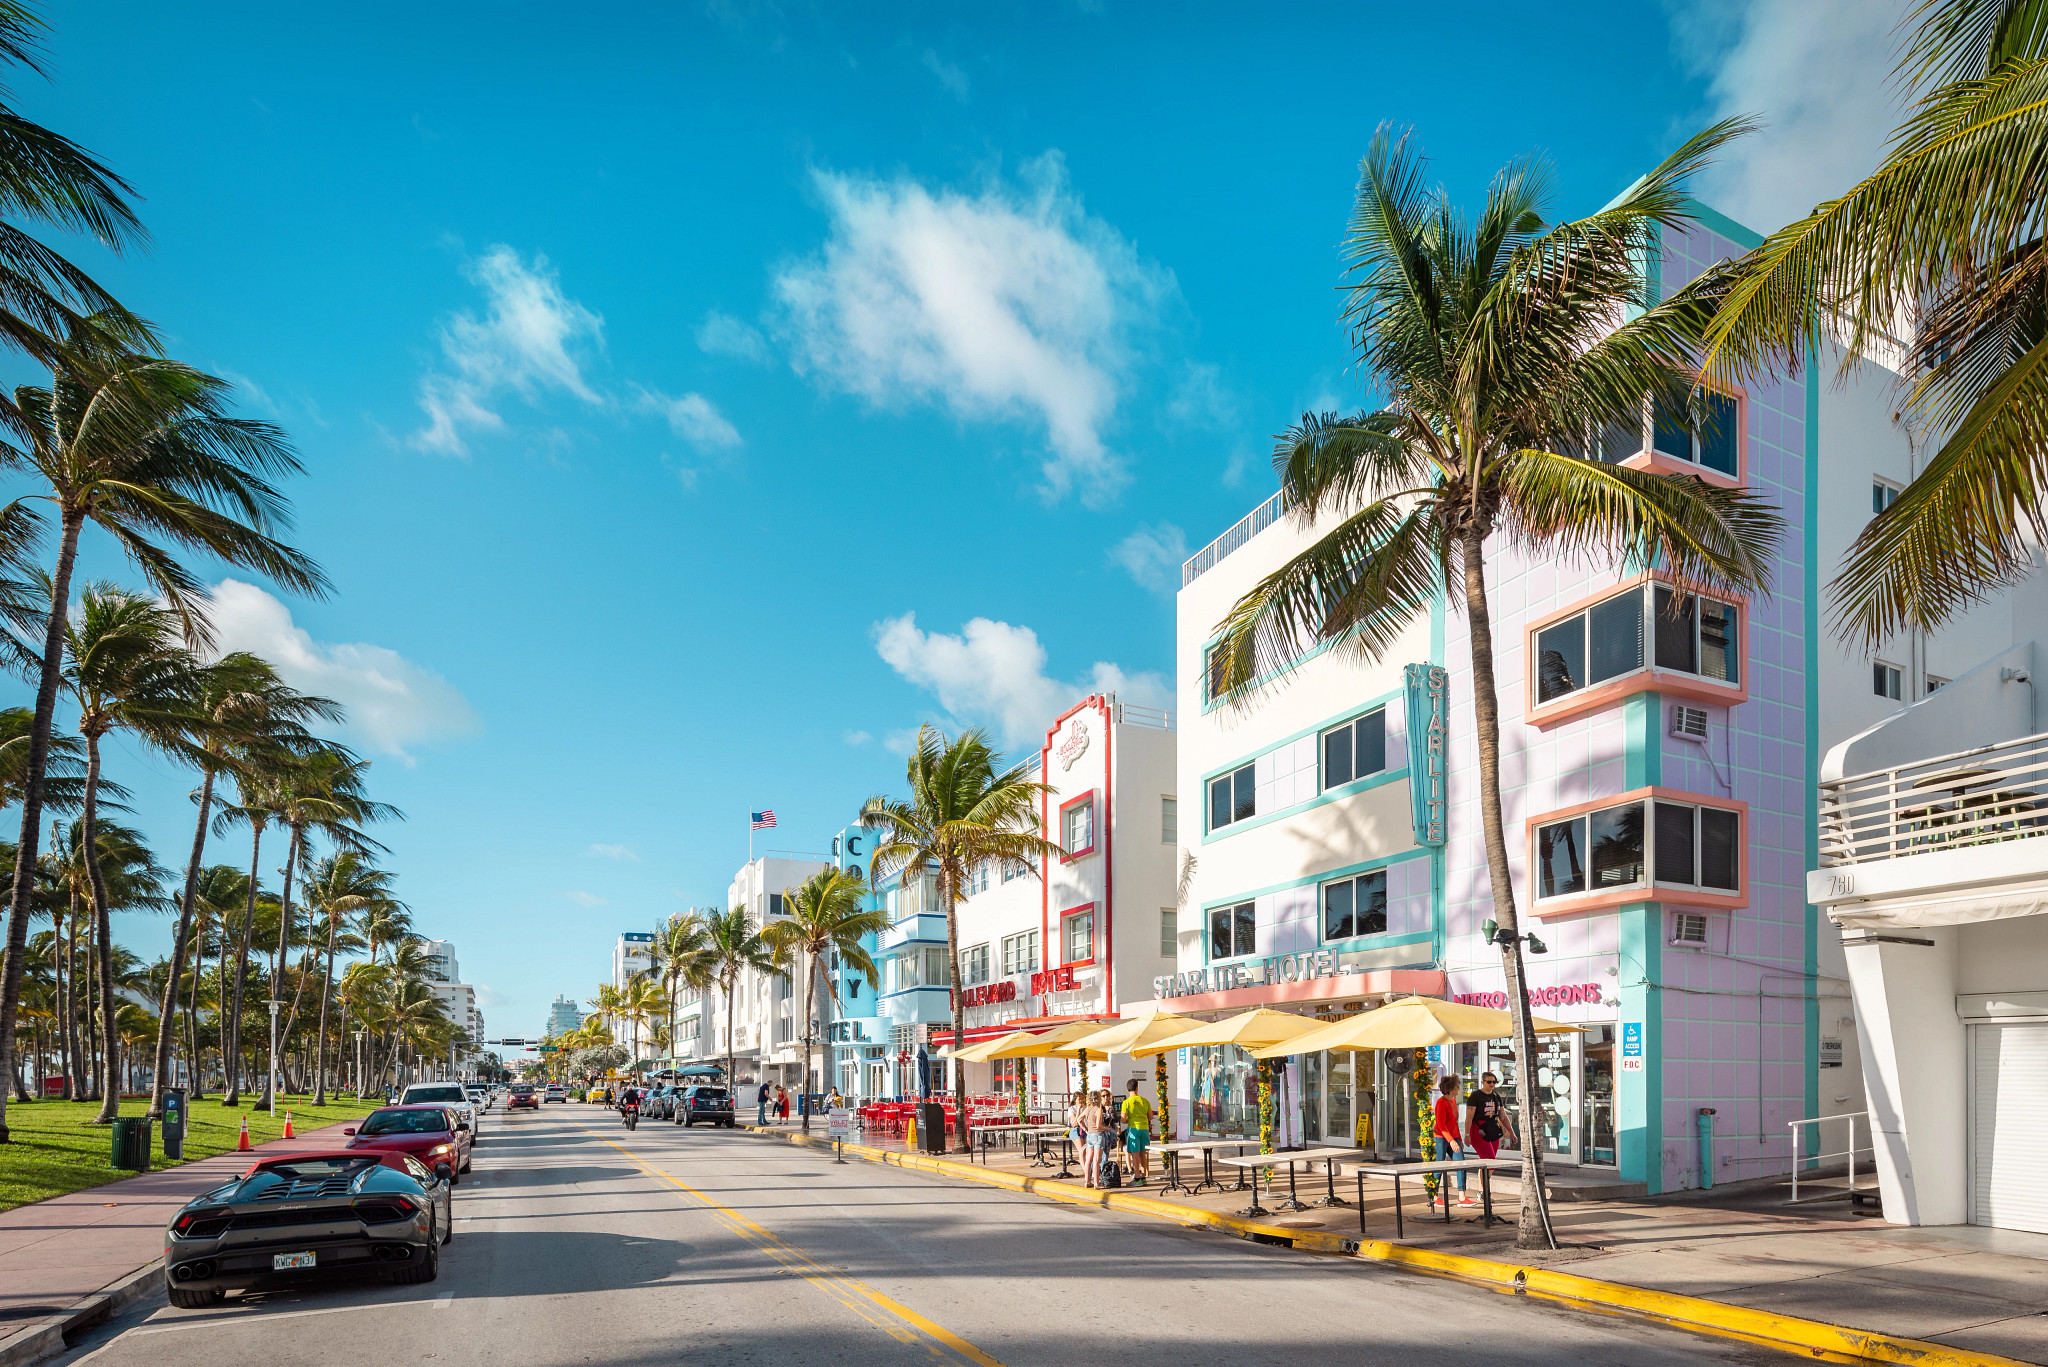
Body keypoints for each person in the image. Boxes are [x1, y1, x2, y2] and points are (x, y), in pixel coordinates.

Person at [1432, 1074, 1473, 1207]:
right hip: (1441, 1137)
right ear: (1450, 1088)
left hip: (1453, 1137)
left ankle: (1462, 1196)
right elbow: (1441, 1125)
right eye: (1457, 1087)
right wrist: (1451, 1141)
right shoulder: (1441, 1102)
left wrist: (1458, 1139)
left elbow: (1454, 1124)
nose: (1458, 1089)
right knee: (1439, 1165)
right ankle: (1434, 1196)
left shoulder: (1453, 1101)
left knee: (1461, 1163)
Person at [1465, 1070, 1517, 1168]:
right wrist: (1467, 1134)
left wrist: (1512, 1133)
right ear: (1483, 1082)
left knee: (1489, 1162)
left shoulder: (1496, 1096)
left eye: (1494, 1082)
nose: (1492, 1084)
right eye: (1489, 1082)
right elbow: (1469, 1117)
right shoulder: (1475, 1095)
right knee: (1490, 1160)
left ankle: (1484, 1178)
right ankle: (1485, 1178)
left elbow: (1503, 1117)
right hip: (1479, 1129)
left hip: (1493, 1129)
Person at [1120, 1079, 1153, 1185]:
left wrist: (1130, 1120)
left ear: (1127, 1089)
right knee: (1143, 1153)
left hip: (1133, 1129)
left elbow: (1123, 1120)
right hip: (1145, 1129)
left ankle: (1137, 1178)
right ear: (1137, 1088)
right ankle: (1144, 1177)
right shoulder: (1145, 1101)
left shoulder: (1126, 1102)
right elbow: (1150, 1116)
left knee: (1135, 1154)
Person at [1078, 1089, 1108, 1187]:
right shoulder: (1098, 1109)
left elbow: (1079, 1119)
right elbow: (1099, 1125)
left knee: (1088, 1159)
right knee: (1096, 1160)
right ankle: (1096, 1183)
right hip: (1097, 1135)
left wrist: (1085, 1129)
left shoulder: (1087, 1109)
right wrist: (1107, 1128)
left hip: (1089, 1135)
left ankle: (1087, 1181)